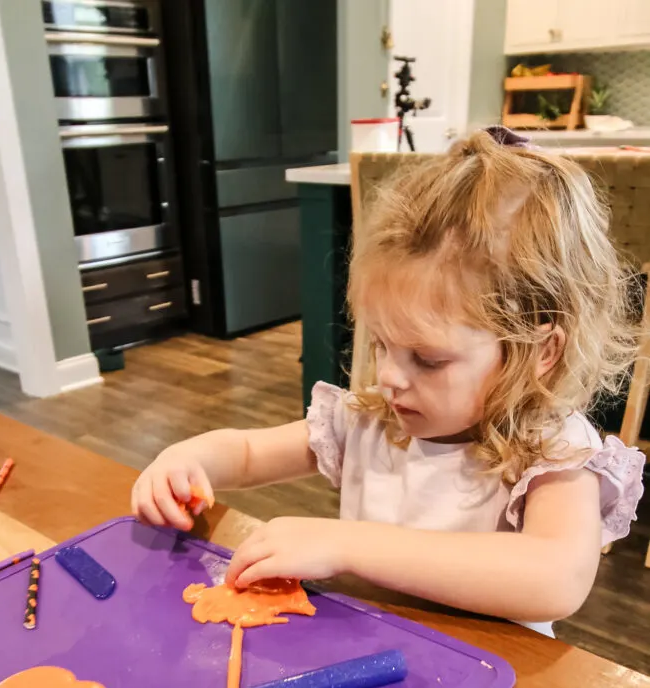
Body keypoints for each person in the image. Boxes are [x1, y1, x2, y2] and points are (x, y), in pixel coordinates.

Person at [132, 128, 645, 634]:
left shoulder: (552, 453)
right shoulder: (370, 419)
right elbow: (246, 453)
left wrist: (348, 545)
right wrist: (187, 461)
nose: (390, 377)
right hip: (373, 658)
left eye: (427, 358)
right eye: (380, 344)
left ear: (542, 351)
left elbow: (555, 578)